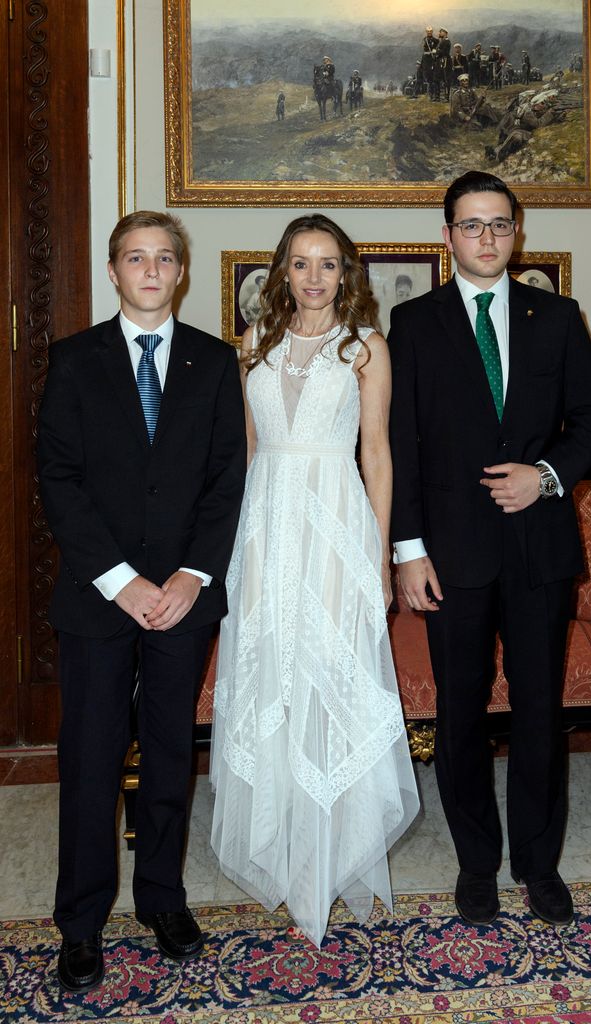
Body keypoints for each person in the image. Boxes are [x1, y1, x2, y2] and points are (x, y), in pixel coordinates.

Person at [388, 171, 591, 929]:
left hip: (537, 550)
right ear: (446, 234)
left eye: (499, 225)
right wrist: (408, 551)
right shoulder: (412, 323)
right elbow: (401, 447)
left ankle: (538, 864)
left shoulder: (556, 316)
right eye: (470, 225)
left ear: (517, 233)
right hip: (449, 554)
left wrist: (545, 476)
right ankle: (476, 864)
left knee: (539, 711)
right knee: (458, 715)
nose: (485, 238)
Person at [38, 211, 247, 992]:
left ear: (181, 271)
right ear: (114, 270)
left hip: (184, 599)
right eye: (136, 257)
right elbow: (57, 480)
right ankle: (81, 922)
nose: (151, 270)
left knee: (168, 755)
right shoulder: (72, 361)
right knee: (89, 761)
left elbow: (228, 482)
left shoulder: (213, 362)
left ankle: (162, 897)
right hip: (99, 601)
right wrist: (120, 581)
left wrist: (192, 575)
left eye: (164, 257)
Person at [210, 213, 419, 947]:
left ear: (345, 274)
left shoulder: (365, 349)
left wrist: (380, 556)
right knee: (275, 678)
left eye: (327, 264)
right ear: (281, 273)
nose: (313, 277)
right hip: (265, 532)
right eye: (300, 264)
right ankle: (285, 847)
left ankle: (324, 865)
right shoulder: (251, 348)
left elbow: (378, 457)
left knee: (327, 683)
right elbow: (243, 454)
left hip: (335, 530)